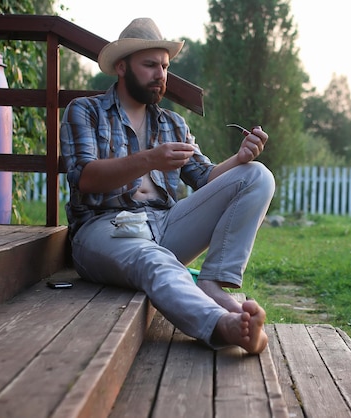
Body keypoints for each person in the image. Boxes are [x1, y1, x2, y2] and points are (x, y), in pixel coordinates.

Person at [60, 17, 274, 354]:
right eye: (150, 65)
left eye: (164, 65)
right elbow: (85, 179)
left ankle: (213, 281)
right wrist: (149, 159)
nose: (161, 74)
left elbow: (205, 178)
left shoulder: (173, 124)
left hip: (165, 223)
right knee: (153, 259)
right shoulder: (85, 112)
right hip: (103, 229)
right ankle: (222, 325)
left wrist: (241, 157)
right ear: (121, 67)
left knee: (257, 176)